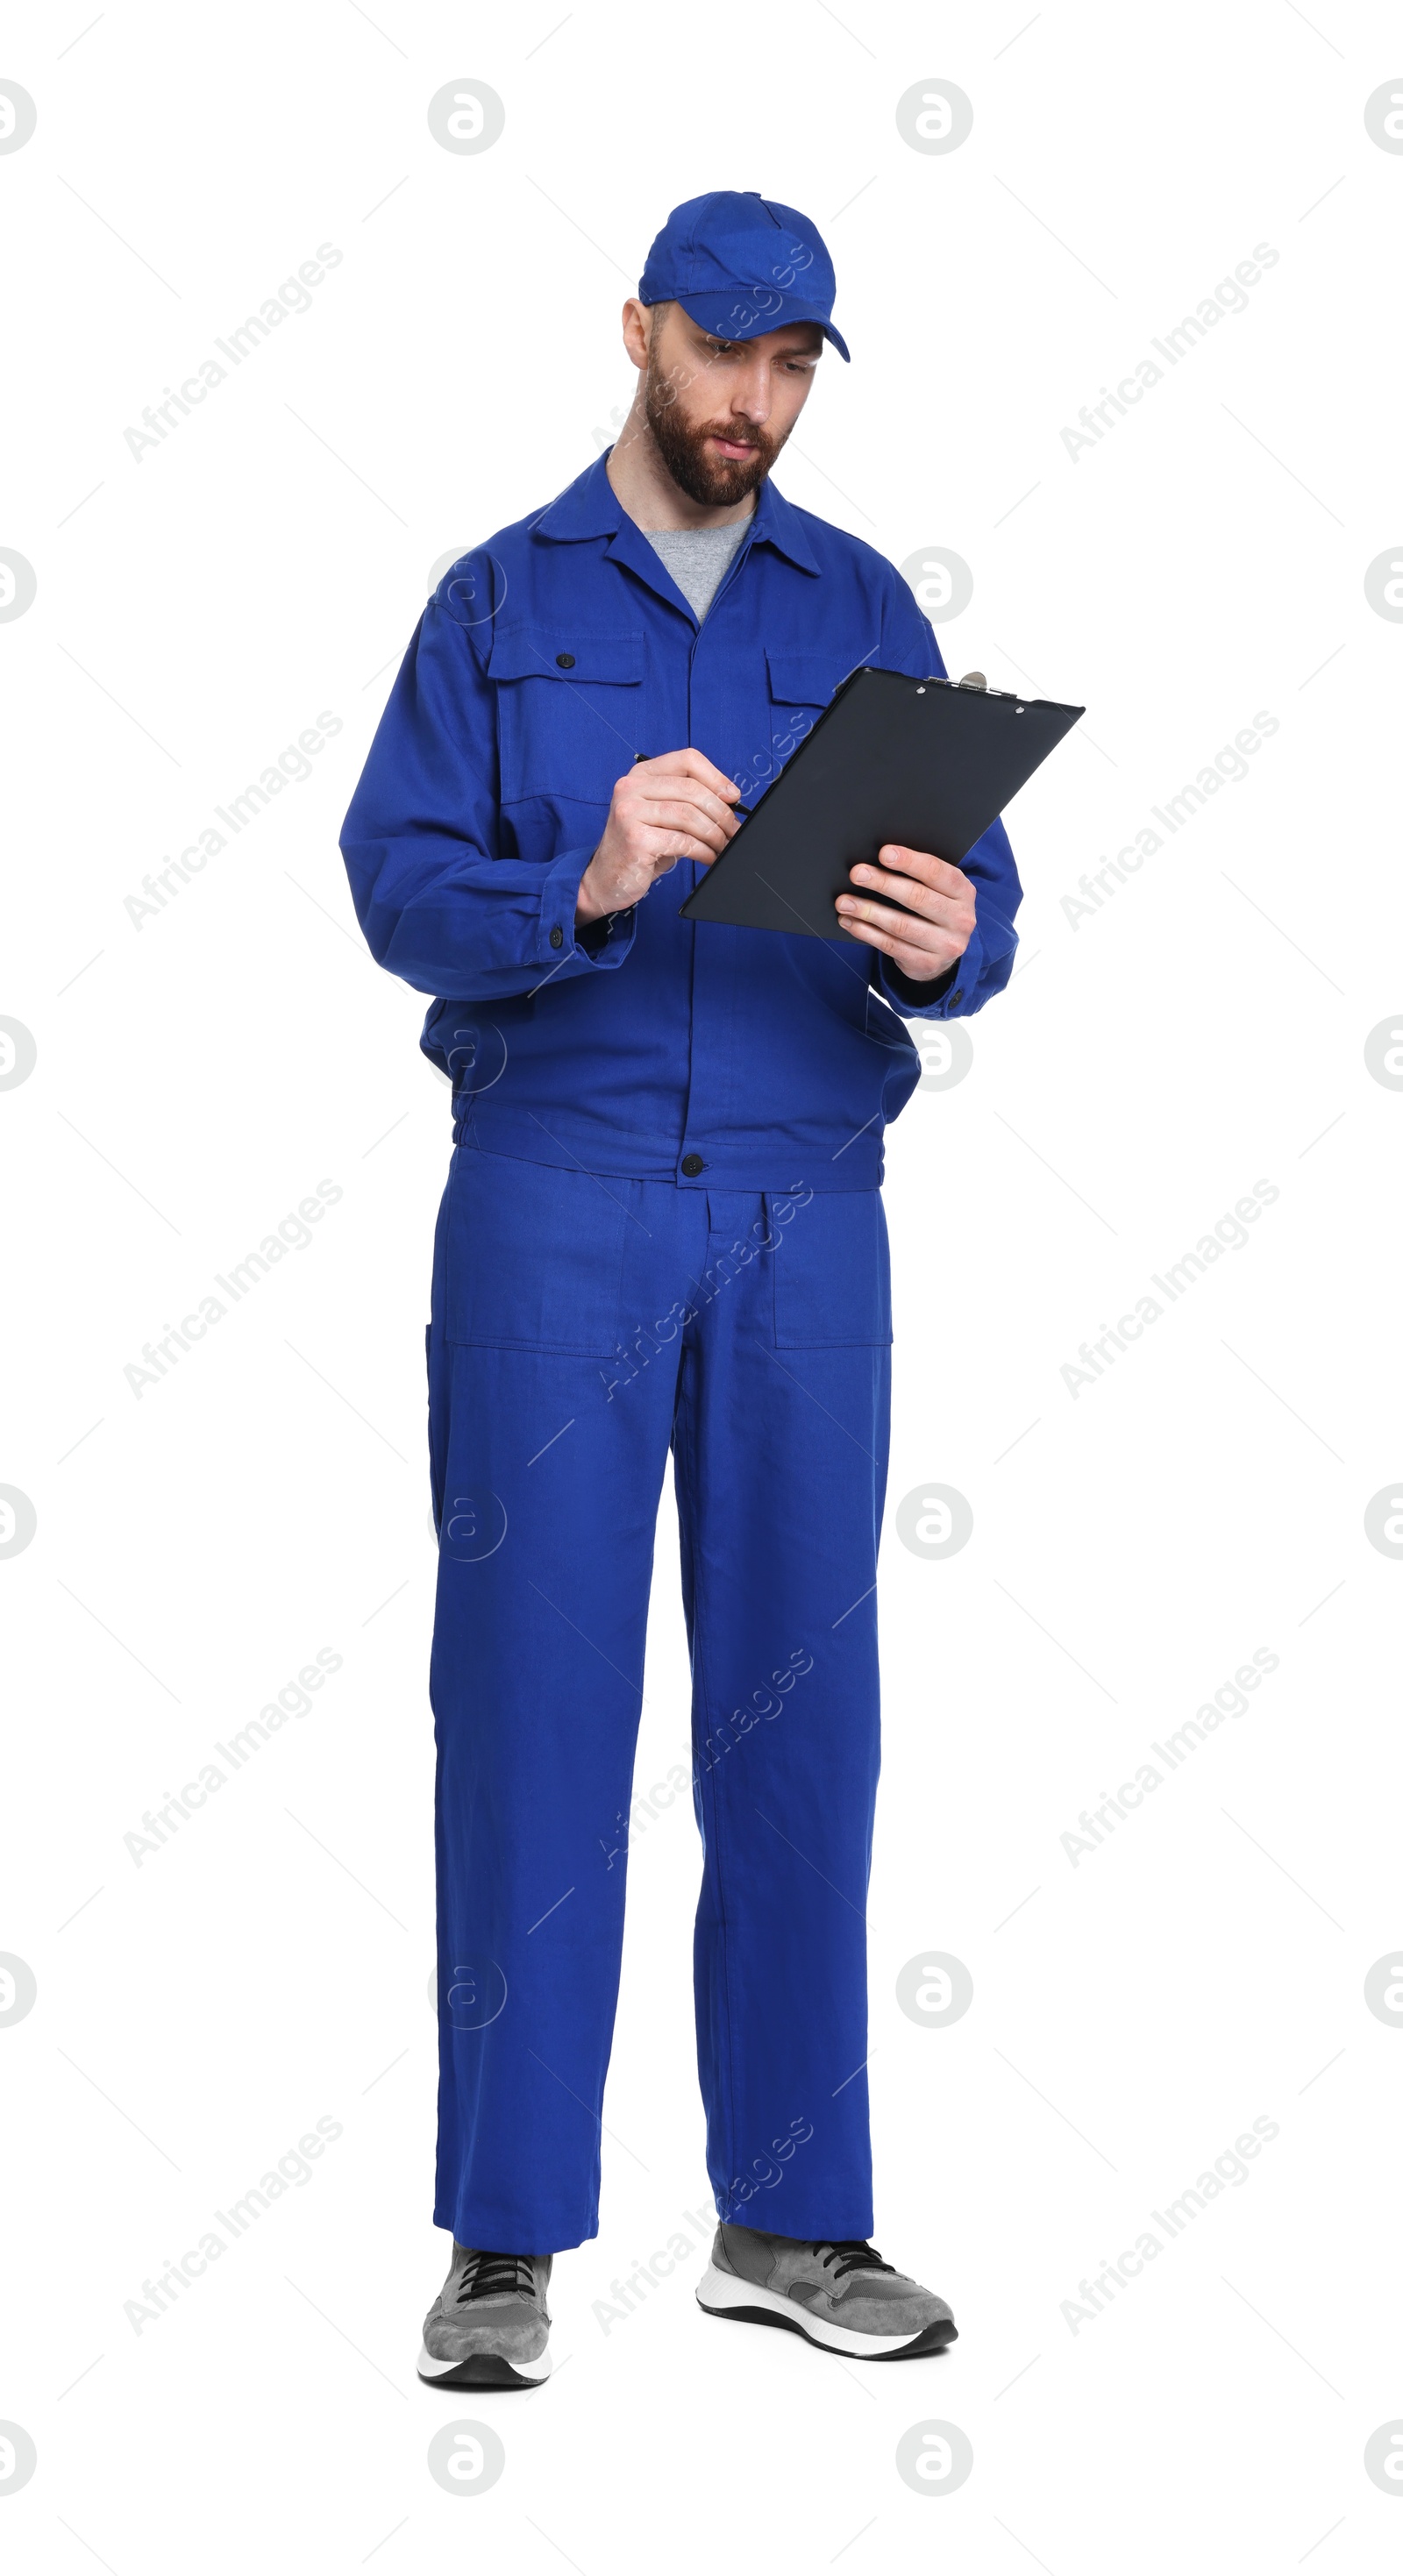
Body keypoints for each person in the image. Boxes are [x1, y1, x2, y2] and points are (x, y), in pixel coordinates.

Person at [339, 188, 1022, 2388]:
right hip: (552, 1194)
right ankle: (507, 2237)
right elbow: (397, 890)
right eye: (723, 352)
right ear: (635, 331)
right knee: (533, 1709)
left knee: (800, 1715)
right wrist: (589, 874)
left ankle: (792, 2217)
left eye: (793, 362)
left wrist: (949, 940)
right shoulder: (496, 599)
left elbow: (977, 906)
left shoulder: (857, 599)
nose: (755, 401)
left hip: (808, 1199)